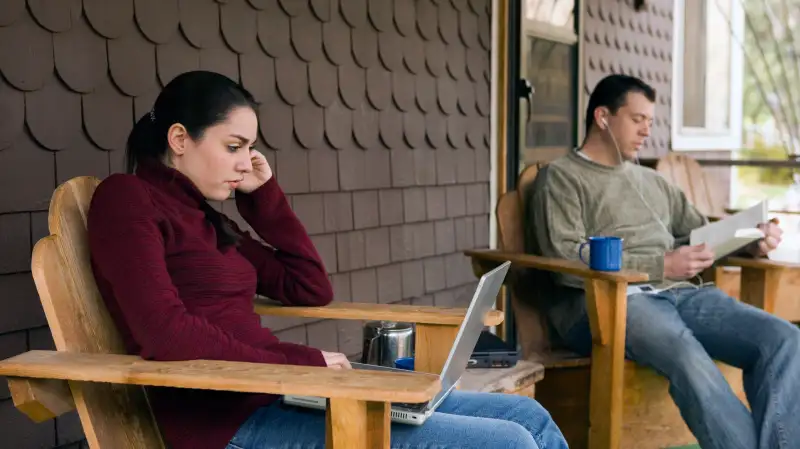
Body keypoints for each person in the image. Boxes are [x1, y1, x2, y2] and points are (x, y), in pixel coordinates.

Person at [86, 70, 568, 449]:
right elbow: (165, 332)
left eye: (250, 149)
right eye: (234, 147)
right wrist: (301, 361)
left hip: (286, 394)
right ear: (179, 139)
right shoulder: (127, 199)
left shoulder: (208, 219)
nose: (244, 162)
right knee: (509, 443)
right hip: (228, 425)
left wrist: (262, 196)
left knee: (530, 418)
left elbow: (309, 286)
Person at [526, 73, 799, 449]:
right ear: (603, 117)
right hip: (609, 304)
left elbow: (701, 235)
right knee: (688, 355)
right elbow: (565, 253)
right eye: (638, 120)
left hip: (681, 295)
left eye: (650, 123)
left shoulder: (653, 183)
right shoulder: (562, 179)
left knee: (782, 339)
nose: (646, 132)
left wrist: (749, 241)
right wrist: (662, 264)